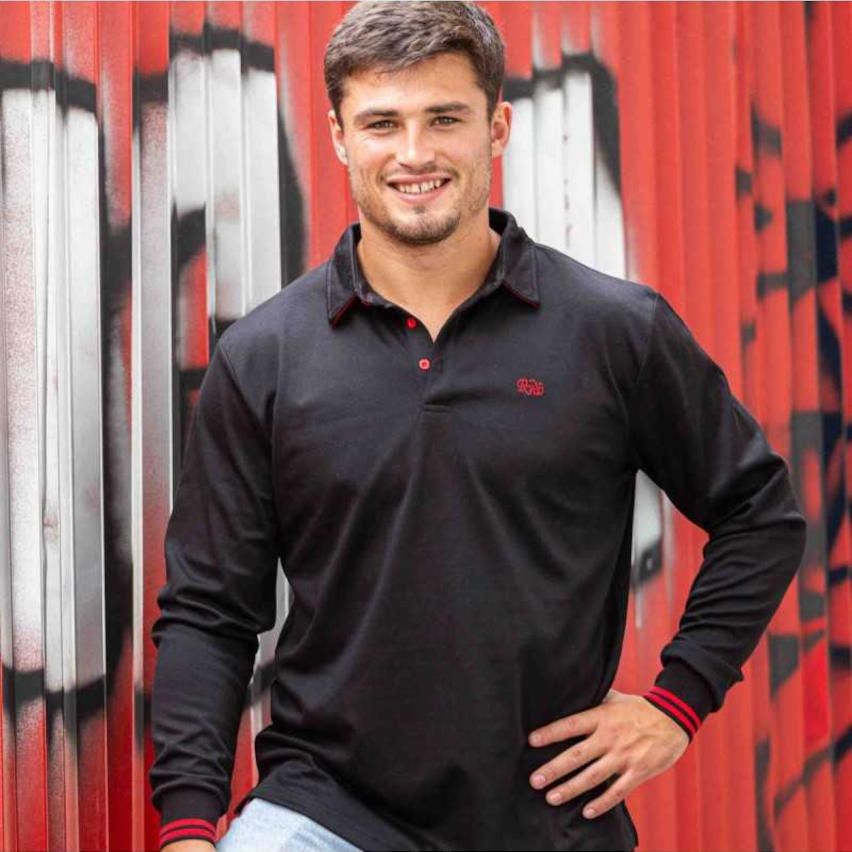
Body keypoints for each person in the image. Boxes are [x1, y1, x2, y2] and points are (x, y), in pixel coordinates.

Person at [149, 2, 808, 851]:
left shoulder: (613, 331)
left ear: (496, 128)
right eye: (381, 123)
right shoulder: (266, 357)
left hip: (549, 820)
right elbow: (209, 610)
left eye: (444, 119)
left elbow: (760, 511)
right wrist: (190, 828)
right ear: (340, 137)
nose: (414, 153)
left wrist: (676, 704)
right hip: (325, 810)